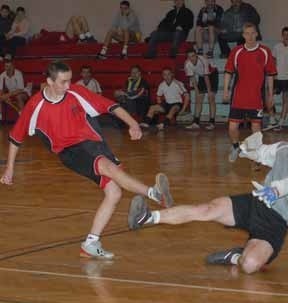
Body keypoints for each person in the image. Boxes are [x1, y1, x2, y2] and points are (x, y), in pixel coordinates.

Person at [0, 61, 173, 259]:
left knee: (114, 192)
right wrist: (10, 168)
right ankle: (155, 193)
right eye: (63, 82)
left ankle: (91, 243)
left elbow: (111, 106)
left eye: (69, 80)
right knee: (110, 169)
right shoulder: (35, 105)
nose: (68, 85)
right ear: (49, 81)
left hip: (94, 144)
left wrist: (133, 124)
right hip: (70, 151)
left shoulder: (76, 92)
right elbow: (16, 137)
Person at [128, 108, 288, 274]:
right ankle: (146, 217)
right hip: (256, 202)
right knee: (206, 209)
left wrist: (276, 190)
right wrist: (244, 149)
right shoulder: (284, 147)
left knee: (249, 265)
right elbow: (262, 153)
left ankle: (235, 256)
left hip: (275, 221)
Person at [224, 22, 276, 163]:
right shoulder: (236, 52)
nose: (250, 36)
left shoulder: (265, 52)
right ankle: (236, 147)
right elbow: (228, 72)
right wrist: (226, 91)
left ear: (257, 33)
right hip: (238, 97)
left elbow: (270, 75)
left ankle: (257, 154)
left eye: (253, 33)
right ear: (243, 35)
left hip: (256, 98)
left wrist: (270, 96)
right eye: (247, 33)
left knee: (256, 129)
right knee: (232, 127)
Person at [184, 49, 218, 130]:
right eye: (189, 57)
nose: (191, 58)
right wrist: (197, 91)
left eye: (193, 56)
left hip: (212, 74)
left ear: (196, 55)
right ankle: (196, 122)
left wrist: (209, 91)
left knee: (211, 98)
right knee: (198, 99)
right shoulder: (187, 64)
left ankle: (212, 123)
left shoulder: (203, 60)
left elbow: (207, 77)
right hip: (202, 76)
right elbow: (192, 78)